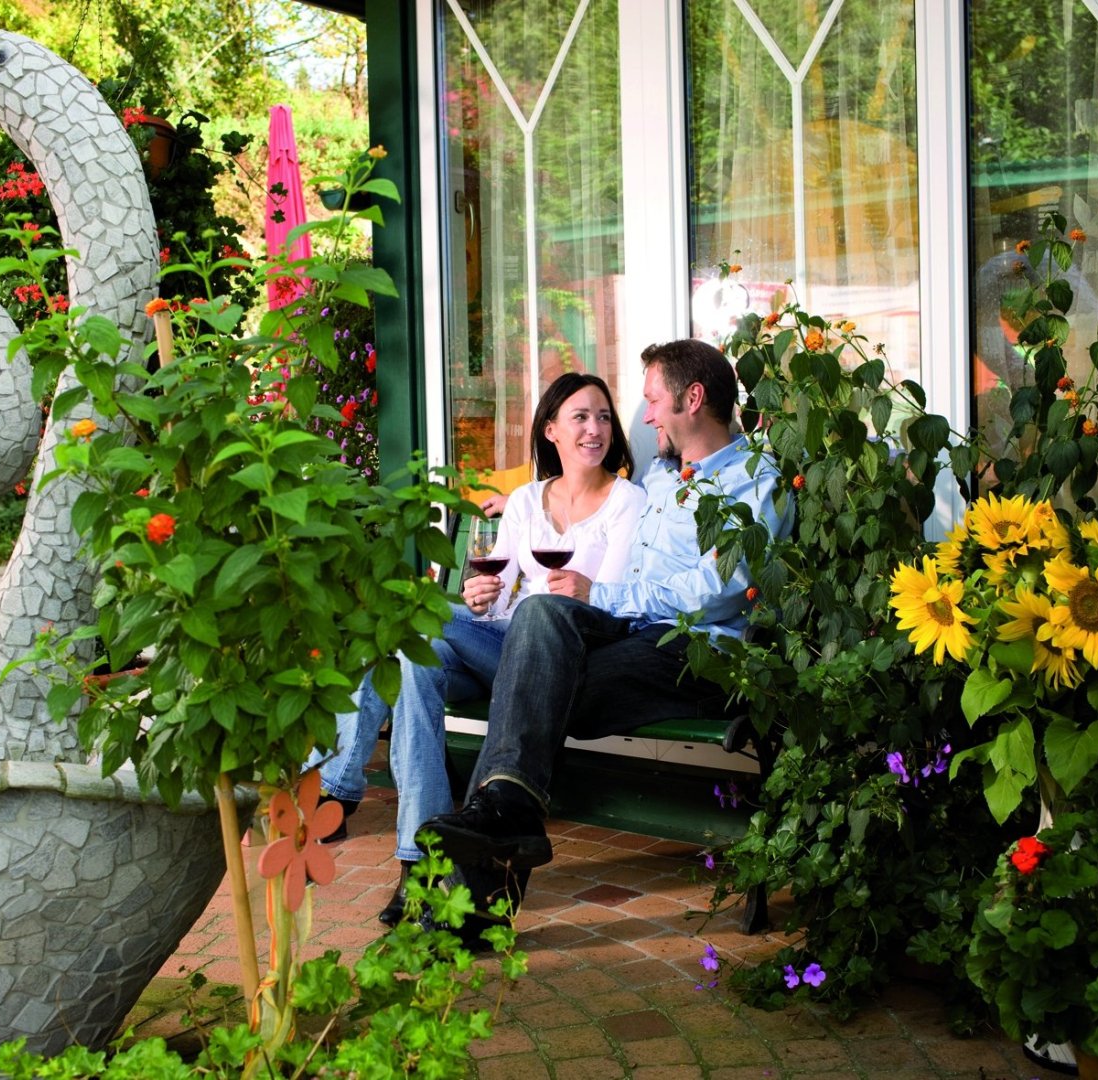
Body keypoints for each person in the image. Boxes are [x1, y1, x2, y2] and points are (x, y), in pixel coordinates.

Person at [418, 338, 788, 912]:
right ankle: (506, 819)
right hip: (629, 637)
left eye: (653, 401)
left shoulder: (755, 480)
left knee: (533, 687)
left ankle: (469, 899)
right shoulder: (665, 477)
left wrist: (604, 593)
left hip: (693, 650)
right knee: (539, 618)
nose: (643, 417)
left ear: (693, 400)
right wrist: (517, 508)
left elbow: (718, 590)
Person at [316, 372, 645, 925]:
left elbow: (605, 610)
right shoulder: (525, 501)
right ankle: (416, 865)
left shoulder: (626, 502)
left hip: (552, 663)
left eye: (604, 417)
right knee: (412, 664)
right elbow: (496, 604)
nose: (596, 429)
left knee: (407, 624)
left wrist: (570, 595)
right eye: (581, 418)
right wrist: (479, 597)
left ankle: (336, 789)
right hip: (497, 647)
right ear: (551, 431)